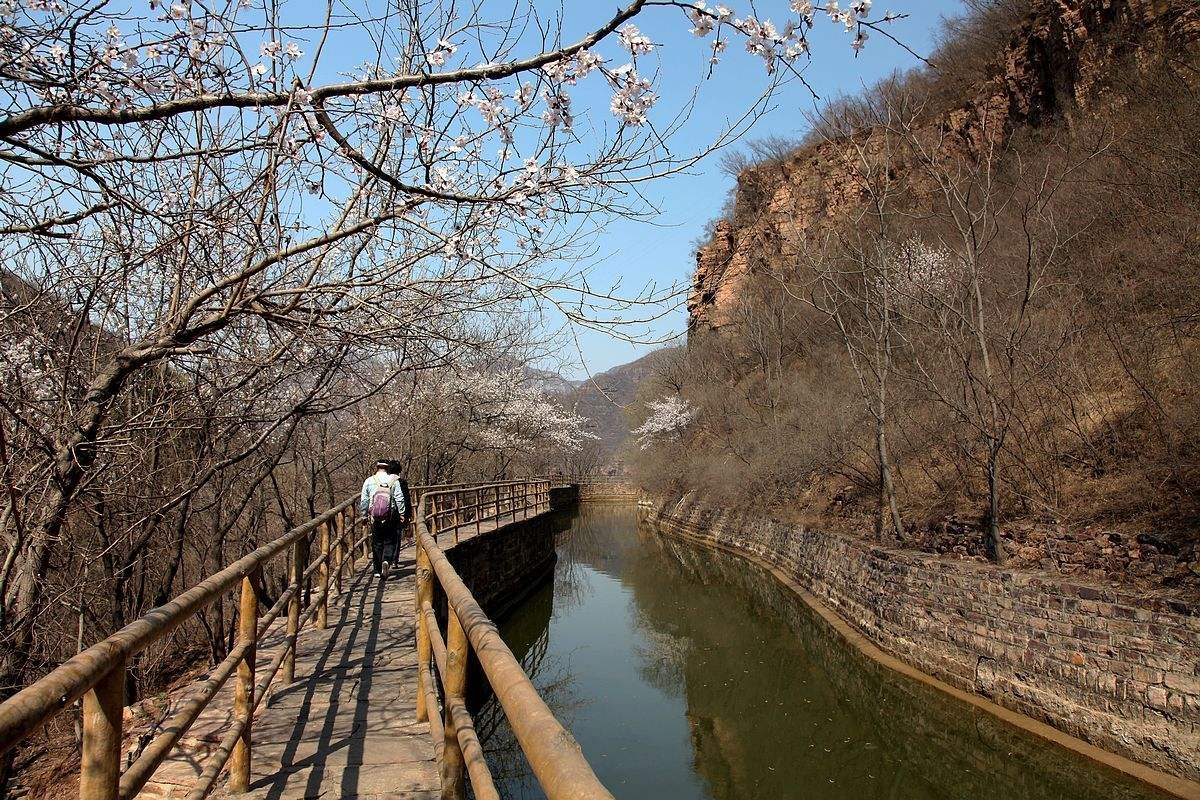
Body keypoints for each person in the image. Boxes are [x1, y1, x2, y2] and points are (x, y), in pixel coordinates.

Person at [359, 459, 407, 580]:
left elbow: (364, 500)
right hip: (391, 515)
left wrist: (364, 515)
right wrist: (402, 513)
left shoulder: (369, 481)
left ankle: (376, 570)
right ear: (388, 468)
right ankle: (386, 560)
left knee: (377, 542)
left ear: (377, 468)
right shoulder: (394, 481)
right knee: (390, 540)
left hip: (375, 516)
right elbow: (399, 498)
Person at [386, 460, 413, 549]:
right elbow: (405, 499)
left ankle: (385, 555)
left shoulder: (382, 481)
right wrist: (406, 515)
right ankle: (394, 555)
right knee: (396, 534)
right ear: (399, 470)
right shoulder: (401, 482)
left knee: (386, 536)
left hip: (382, 512)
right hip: (396, 513)